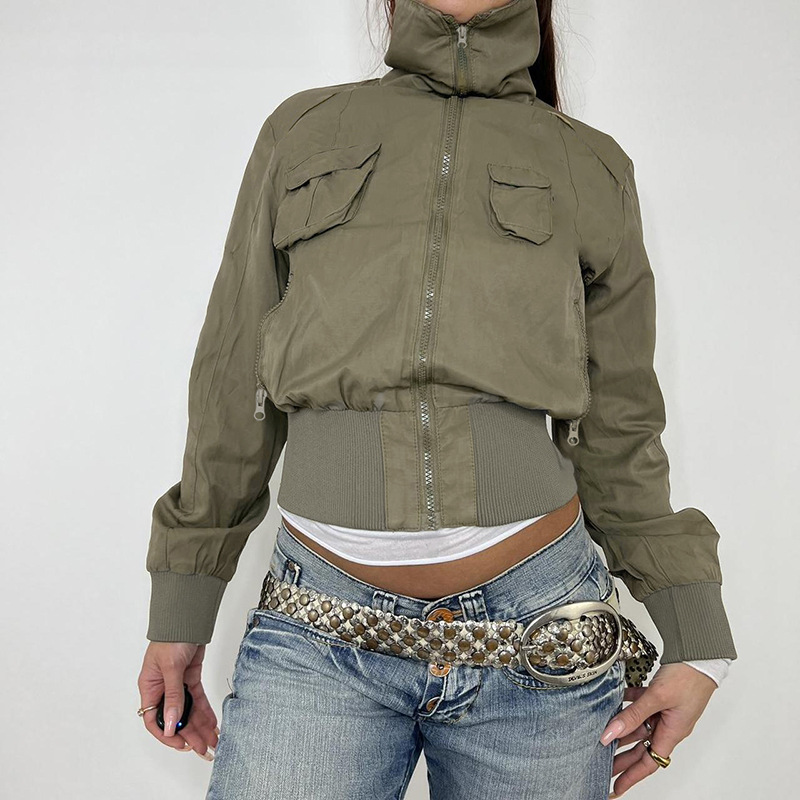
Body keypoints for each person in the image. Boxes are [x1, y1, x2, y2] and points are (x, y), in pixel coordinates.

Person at [136, 0, 738, 797]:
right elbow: (234, 375)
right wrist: (183, 604)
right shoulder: (303, 132)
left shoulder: (590, 165)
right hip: (316, 634)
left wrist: (700, 637)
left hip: (541, 639)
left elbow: (619, 423)